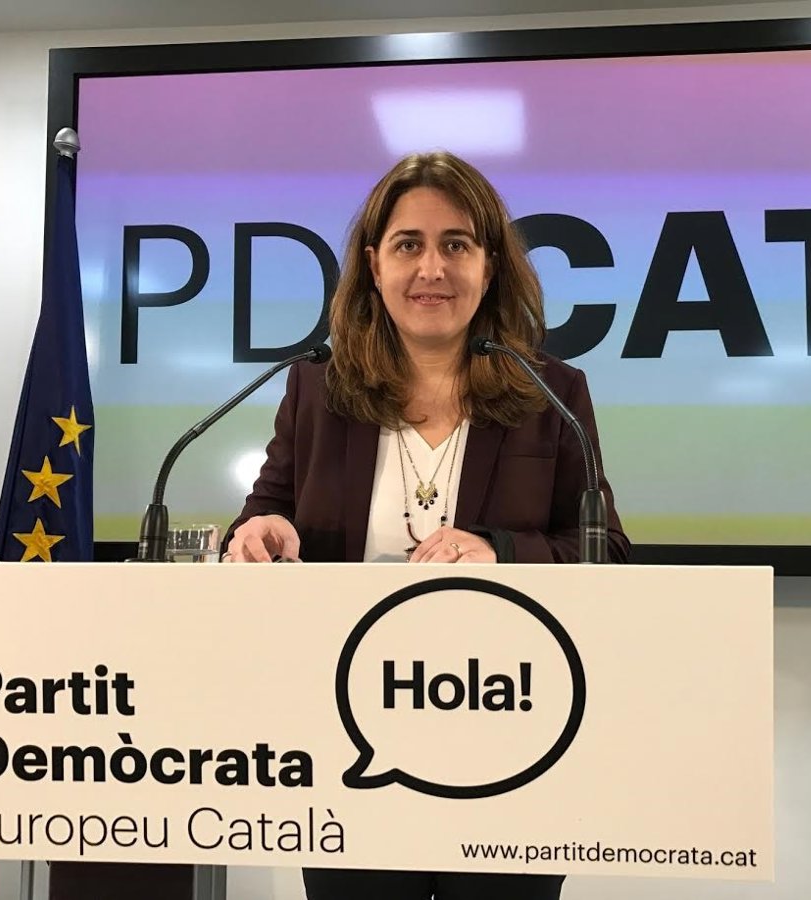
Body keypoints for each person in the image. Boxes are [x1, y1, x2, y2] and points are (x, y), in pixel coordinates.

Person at [222, 150, 630, 899]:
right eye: (408, 244)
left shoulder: (552, 392)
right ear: (374, 265)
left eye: (456, 245)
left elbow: (607, 556)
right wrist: (259, 531)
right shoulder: (316, 387)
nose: (432, 269)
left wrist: (498, 551)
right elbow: (266, 510)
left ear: (490, 266)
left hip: (513, 737)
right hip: (349, 738)